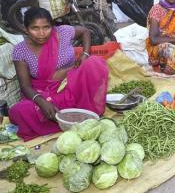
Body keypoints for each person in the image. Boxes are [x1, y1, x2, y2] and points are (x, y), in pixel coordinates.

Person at [9, 8, 109, 141]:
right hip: (46, 93)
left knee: (94, 63)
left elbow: (85, 32)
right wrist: (42, 103)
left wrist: (85, 54)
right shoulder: (20, 51)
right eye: (35, 28)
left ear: (53, 26)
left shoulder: (63, 32)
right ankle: (75, 114)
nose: (42, 33)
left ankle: (84, 108)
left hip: (72, 84)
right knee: (19, 111)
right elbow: (25, 86)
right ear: (26, 29)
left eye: (46, 27)